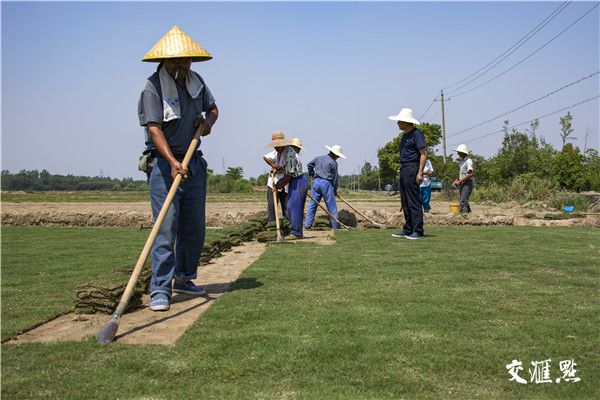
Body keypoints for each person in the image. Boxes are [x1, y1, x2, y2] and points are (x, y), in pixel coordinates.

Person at [137, 26, 218, 311]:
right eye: (176, 61)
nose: (182, 65)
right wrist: (172, 162)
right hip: (164, 164)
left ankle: (184, 277)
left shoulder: (197, 82)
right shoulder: (153, 87)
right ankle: (160, 288)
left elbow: (213, 109)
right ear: (164, 62)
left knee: (194, 226)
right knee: (166, 226)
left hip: (193, 162)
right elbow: (155, 129)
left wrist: (207, 123)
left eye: (186, 60)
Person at [388, 108, 427, 240]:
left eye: (399, 121)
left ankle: (418, 230)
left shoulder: (417, 134)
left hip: (412, 168)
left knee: (413, 201)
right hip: (404, 168)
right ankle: (408, 229)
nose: (397, 123)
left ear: (406, 122)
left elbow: (423, 154)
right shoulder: (405, 135)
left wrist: (420, 173)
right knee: (405, 201)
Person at [304, 144, 347, 230]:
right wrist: (334, 190)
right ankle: (335, 226)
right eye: (338, 156)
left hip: (316, 182)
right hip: (326, 183)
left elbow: (309, 164)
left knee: (312, 204)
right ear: (334, 154)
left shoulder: (318, 158)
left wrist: (311, 174)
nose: (338, 157)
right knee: (331, 206)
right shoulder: (333, 163)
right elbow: (335, 178)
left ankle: (307, 225)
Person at [275, 138, 308, 238]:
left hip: (298, 181)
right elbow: (288, 169)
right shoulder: (288, 153)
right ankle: (297, 231)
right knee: (292, 206)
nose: (275, 148)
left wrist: (278, 185)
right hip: (296, 181)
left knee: (293, 206)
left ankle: (296, 232)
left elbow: (289, 174)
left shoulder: (290, 154)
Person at [263, 132, 289, 221]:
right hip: (273, 182)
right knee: (271, 204)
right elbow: (265, 157)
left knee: (285, 204)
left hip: (285, 182)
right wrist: (273, 165)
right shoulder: (274, 153)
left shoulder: (288, 153)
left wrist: (281, 168)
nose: (276, 147)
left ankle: (287, 223)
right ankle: (272, 223)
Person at [453, 144, 474, 213]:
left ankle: (463, 215)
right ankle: (470, 215)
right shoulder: (461, 161)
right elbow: (461, 173)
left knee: (463, 200)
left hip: (467, 183)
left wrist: (460, 181)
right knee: (464, 200)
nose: (457, 153)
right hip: (462, 183)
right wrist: (457, 180)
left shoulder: (468, 161)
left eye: (459, 152)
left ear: (463, 152)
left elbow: (470, 174)